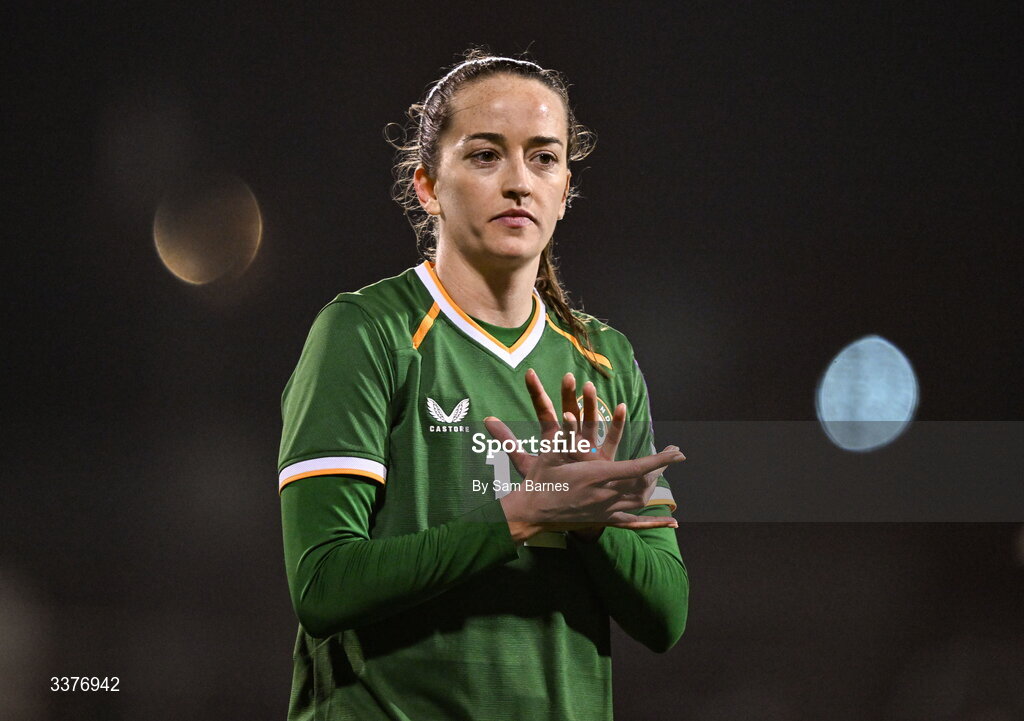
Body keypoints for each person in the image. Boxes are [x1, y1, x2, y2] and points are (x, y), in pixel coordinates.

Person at [278, 50, 689, 721]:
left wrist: (593, 529)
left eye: (544, 158)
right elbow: (323, 584)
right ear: (427, 186)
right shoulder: (366, 332)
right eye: (485, 155)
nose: (520, 181)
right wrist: (523, 513)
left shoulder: (604, 361)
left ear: (565, 190)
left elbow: (666, 615)